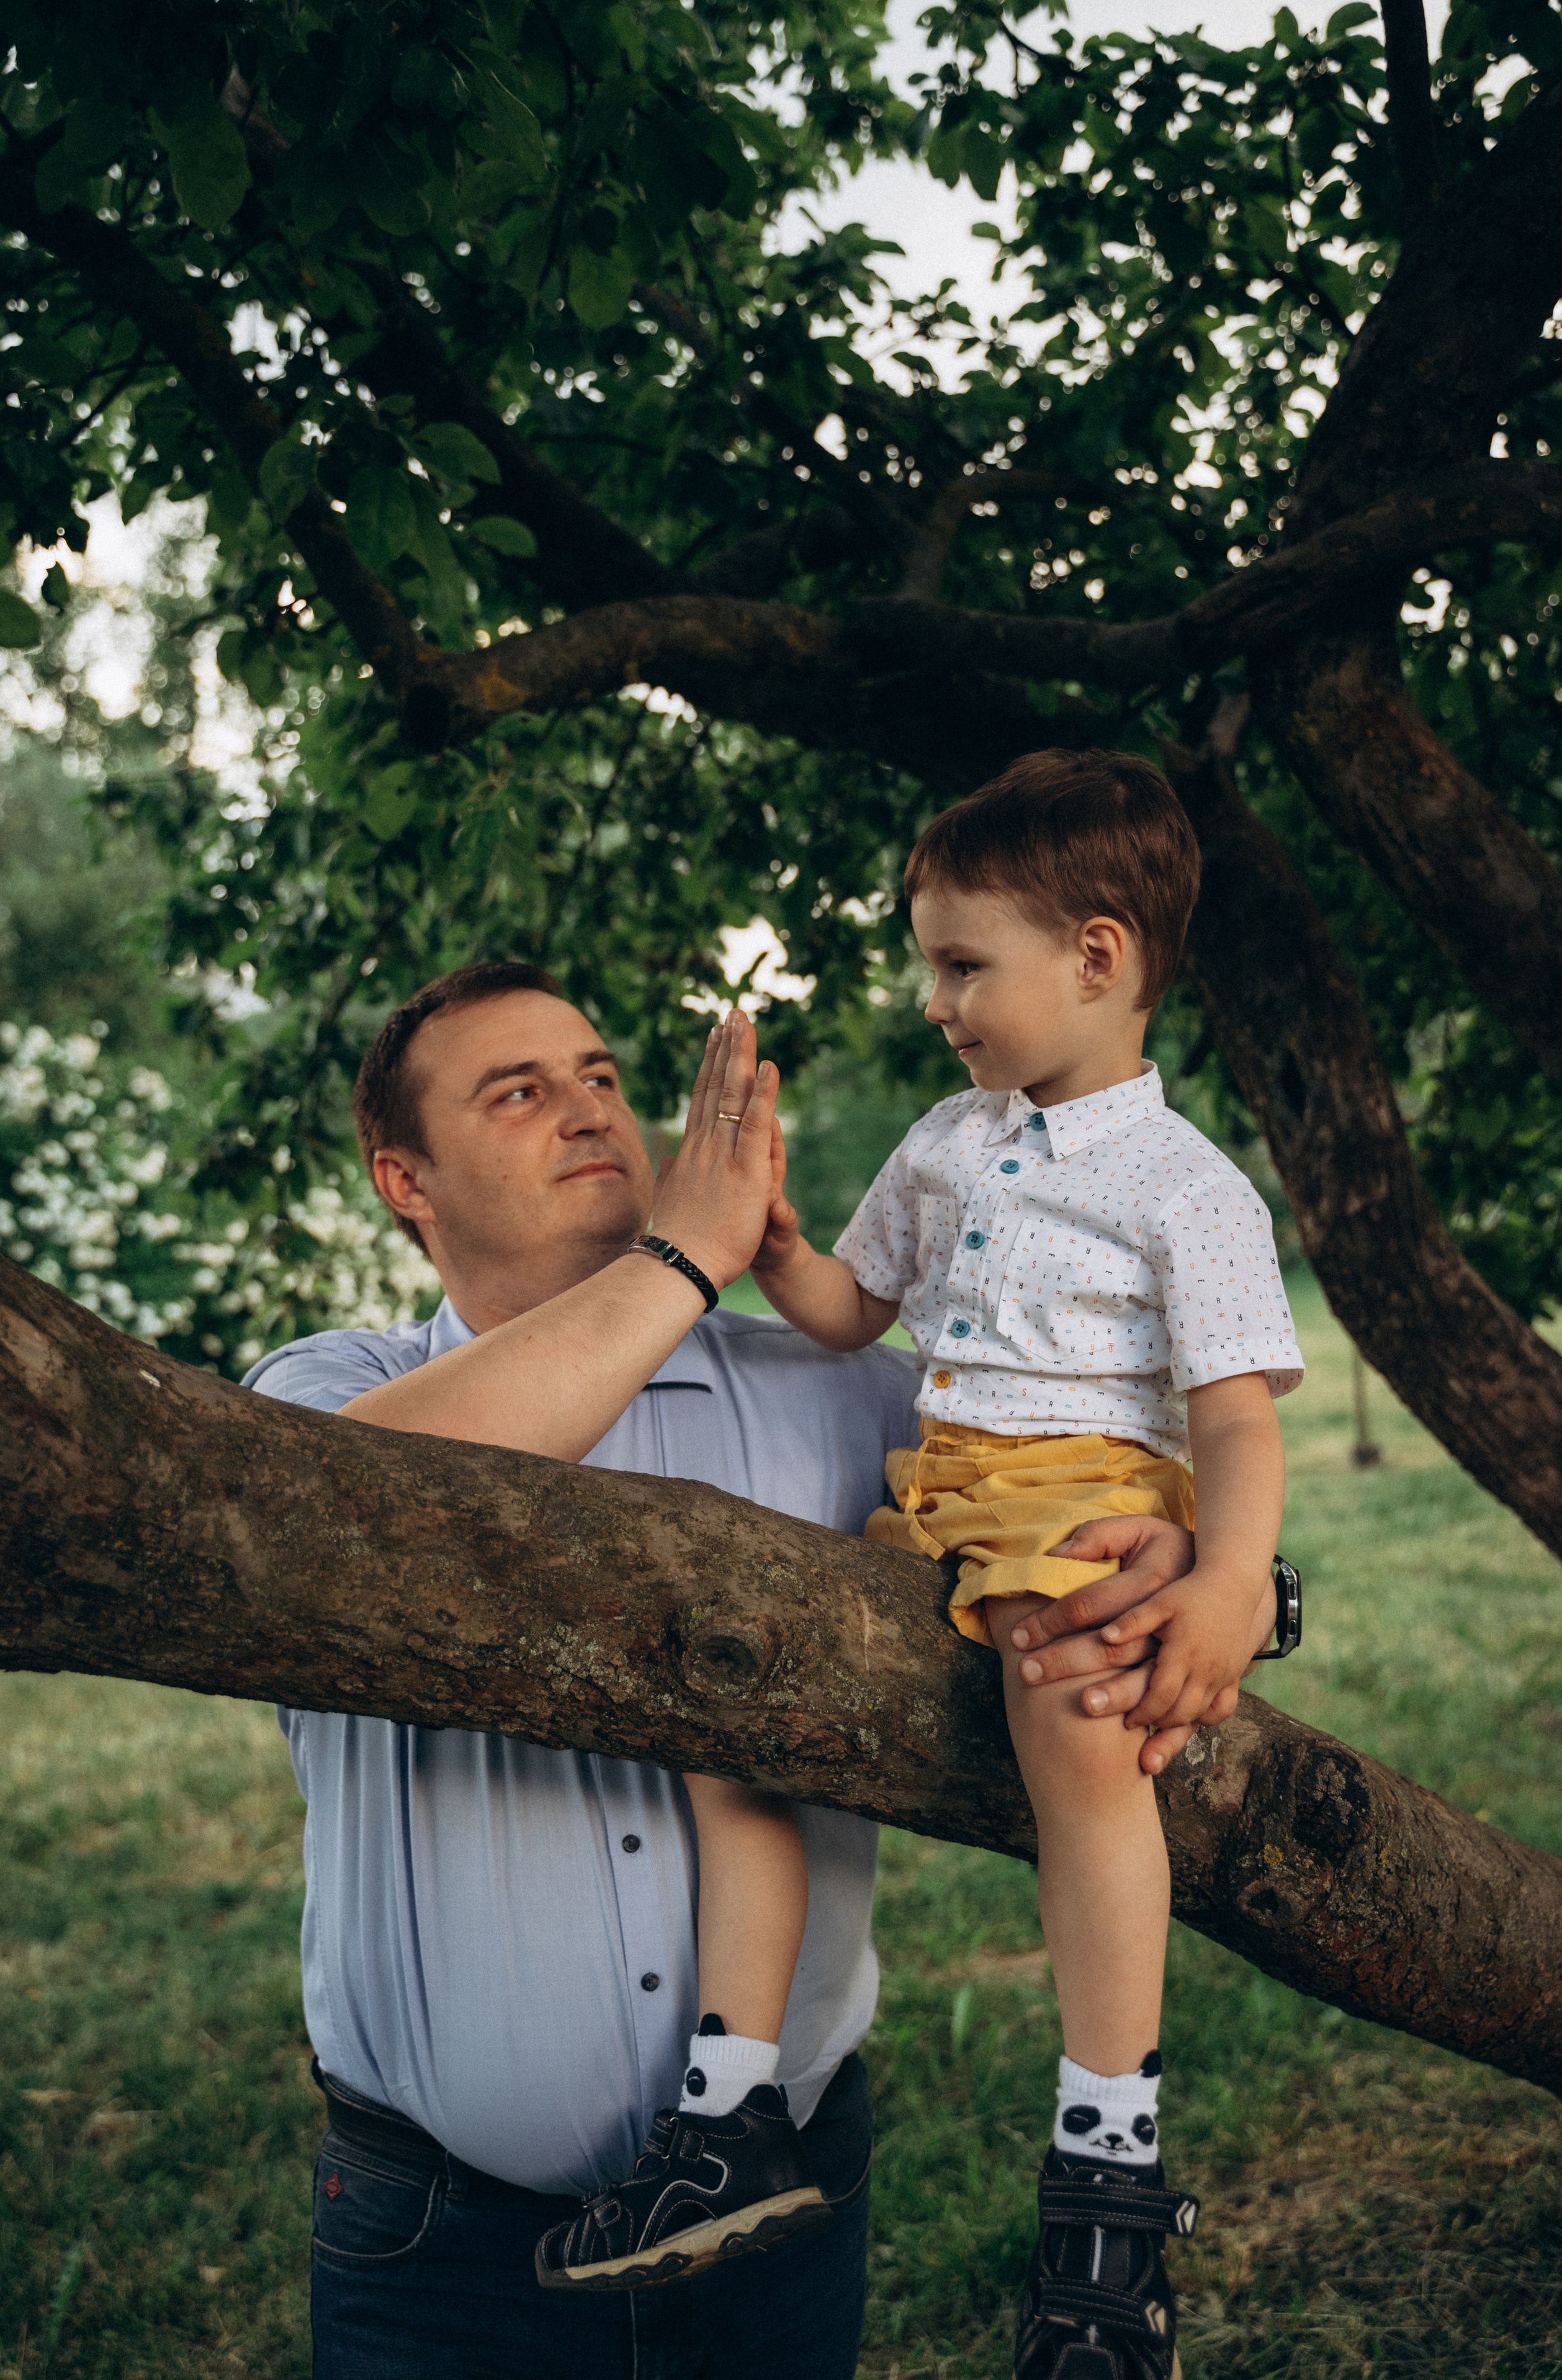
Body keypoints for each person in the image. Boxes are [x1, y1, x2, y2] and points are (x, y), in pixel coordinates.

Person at [614, 751, 1304, 2380]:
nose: (936, 999)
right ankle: (731, 2108)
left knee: (1074, 1711)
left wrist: (1227, 1583)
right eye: (931, 962)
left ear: (1100, 957)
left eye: (961, 962)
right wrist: (775, 1244)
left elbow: (1242, 1429)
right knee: (748, 1678)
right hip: (939, 1497)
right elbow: (858, 1310)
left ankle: (1108, 2168)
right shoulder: (945, 1138)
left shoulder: (1186, 1189)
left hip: (1082, 1496)